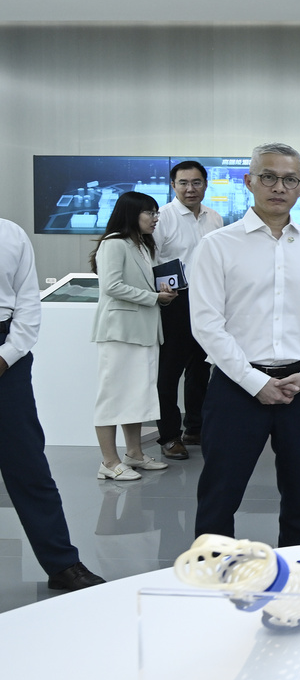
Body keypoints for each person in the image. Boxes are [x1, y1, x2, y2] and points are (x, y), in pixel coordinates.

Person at [189, 142, 300, 547]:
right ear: (249, 181)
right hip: (236, 388)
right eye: (269, 177)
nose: (279, 187)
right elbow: (206, 324)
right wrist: (254, 382)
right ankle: (213, 570)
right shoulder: (217, 245)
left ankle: (298, 570)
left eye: (290, 180)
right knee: (220, 491)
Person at [0, 218, 106, 591]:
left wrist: (6, 356)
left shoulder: (10, 234)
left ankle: (62, 564)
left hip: (5, 357)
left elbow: (28, 304)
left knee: (27, 464)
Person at [89, 191, 175, 481]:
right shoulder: (114, 243)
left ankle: (134, 454)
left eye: (156, 213)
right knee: (112, 396)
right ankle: (108, 461)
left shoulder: (142, 245)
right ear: (131, 214)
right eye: (149, 213)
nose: (155, 218)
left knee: (136, 395)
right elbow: (112, 286)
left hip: (143, 331)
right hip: (120, 331)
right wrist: (154, 297)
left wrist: (161, 292)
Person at [152, 160, 224, 460]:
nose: (190, 189)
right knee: (169, 372)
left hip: (208, 301)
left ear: (205, 184)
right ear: (173, 185)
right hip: (175, 302)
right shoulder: (162, 218)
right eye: (183, 183)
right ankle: (170, 436)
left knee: (201, 368)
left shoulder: (214, 218)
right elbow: (151, 260)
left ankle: (196, 428)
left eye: (196, 182)